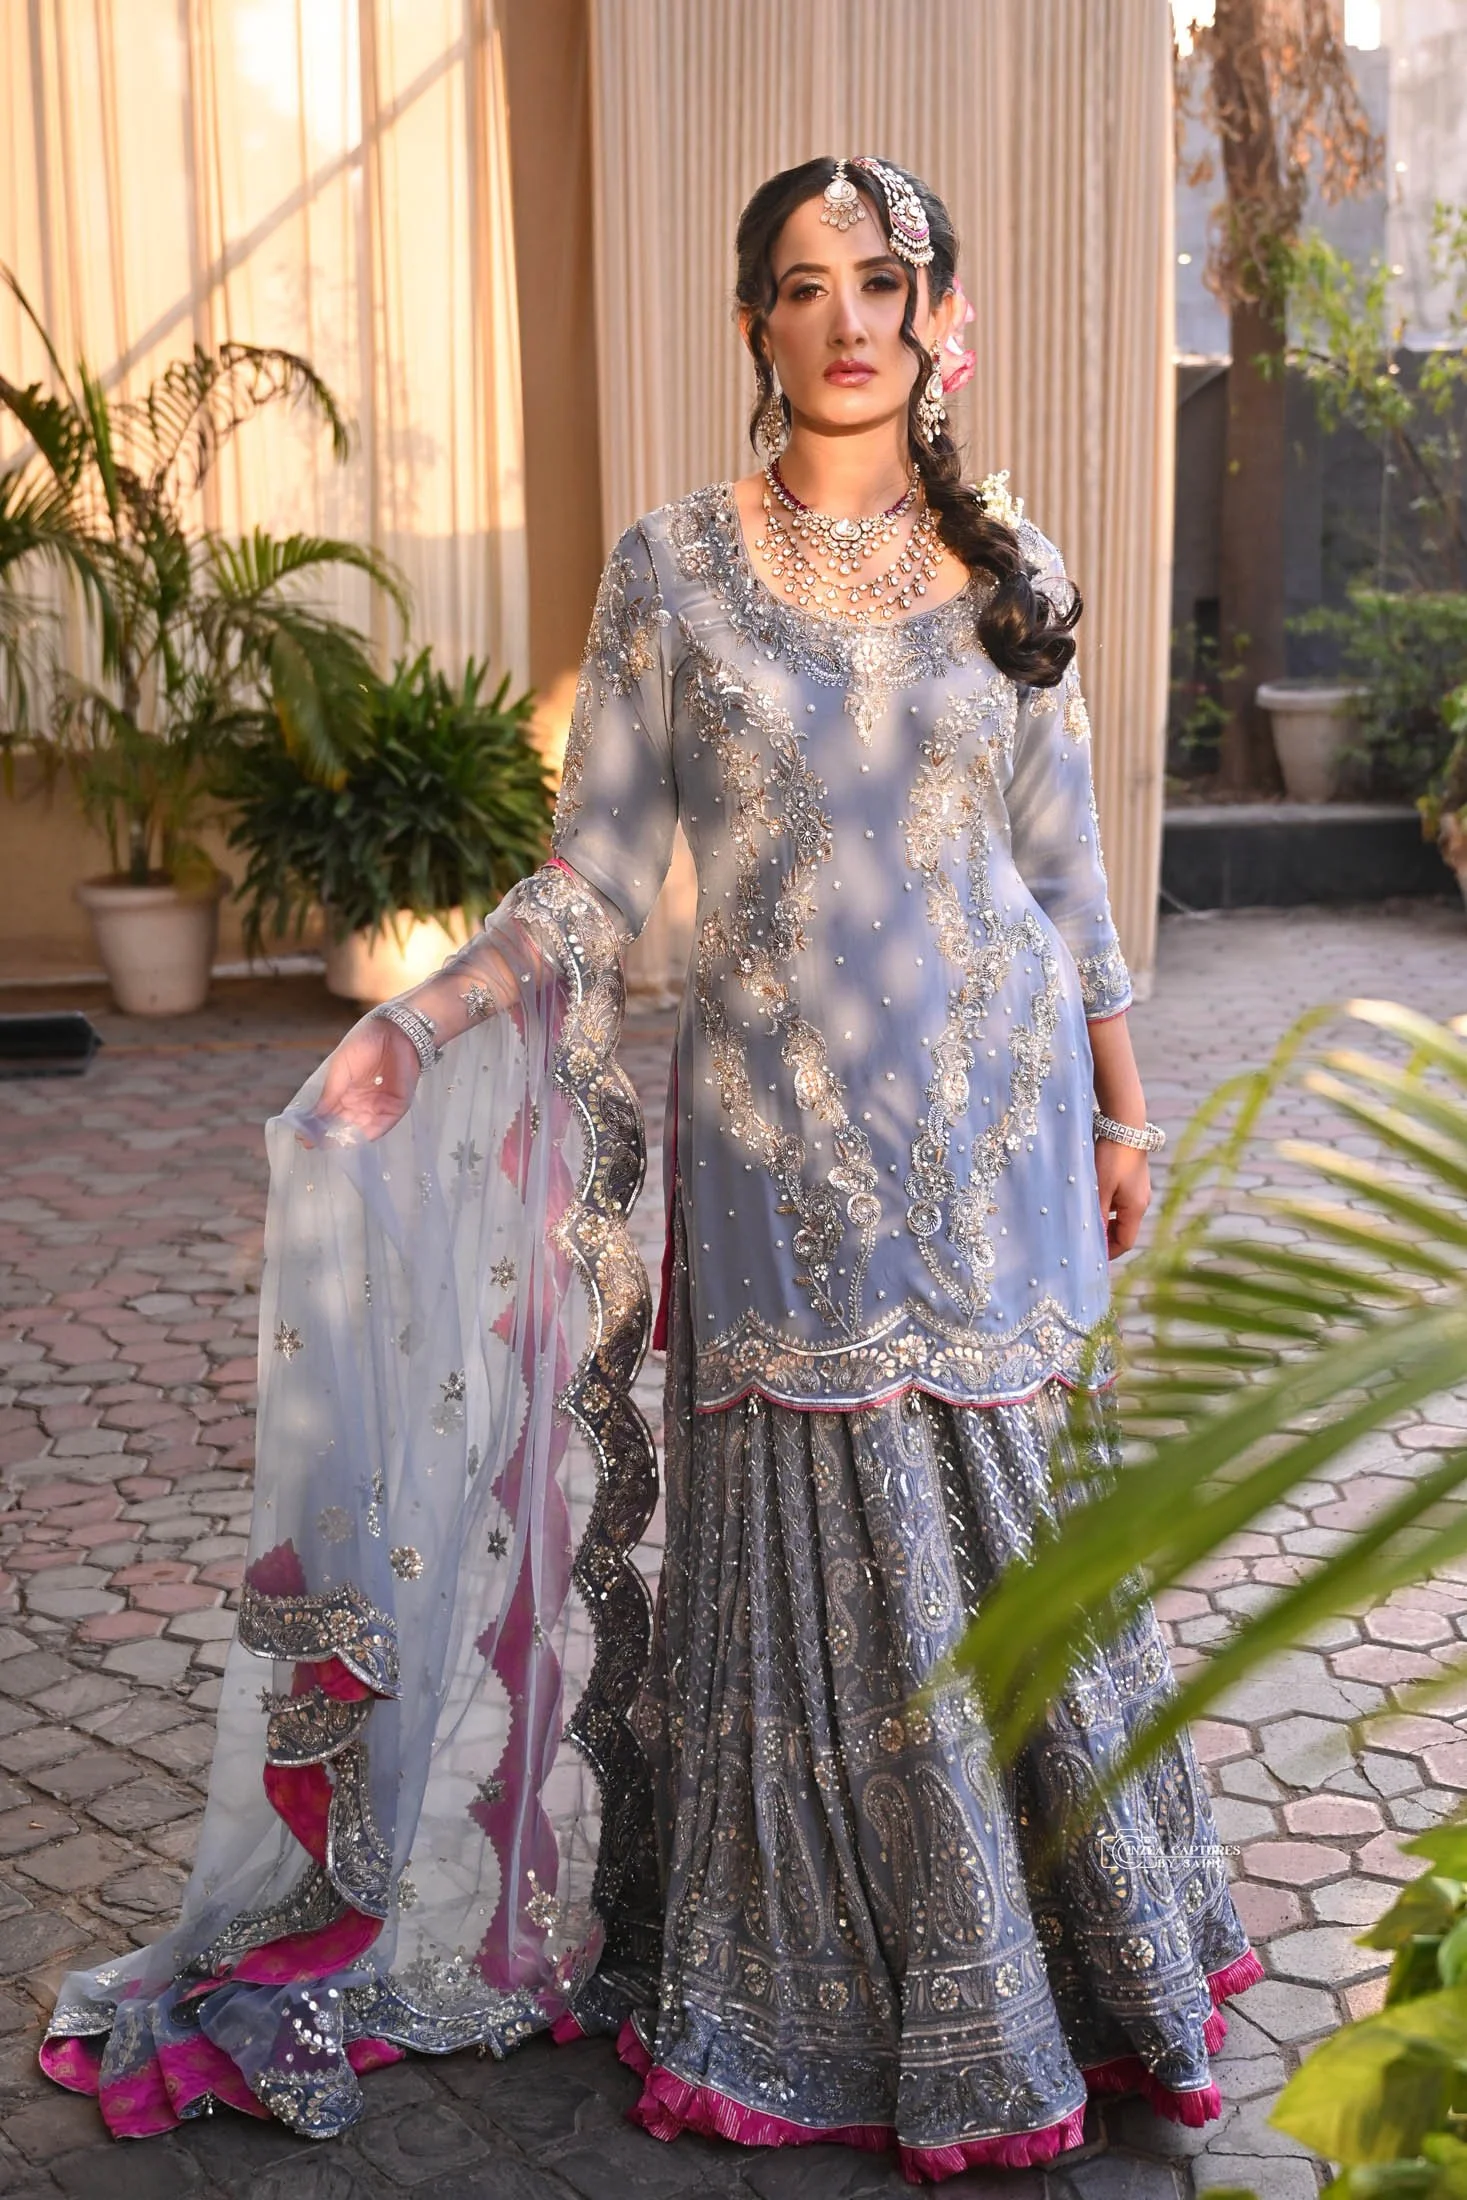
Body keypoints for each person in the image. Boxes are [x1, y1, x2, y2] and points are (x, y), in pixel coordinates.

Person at [42, 155, 1261, 2178]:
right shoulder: (673, 567)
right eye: (803, 286)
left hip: (1005, 1146)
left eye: (881, 281)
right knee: (814, 1568)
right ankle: (808, 1987)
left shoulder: (1007, 560)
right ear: (753, 326)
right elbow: (597, 878)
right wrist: (414, 1026)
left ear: (938, 314)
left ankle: (1071, 1967)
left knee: (1023, 1568)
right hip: (780, 1161)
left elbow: (1061, 876)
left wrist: (1128, 1109)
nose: (847, 318)